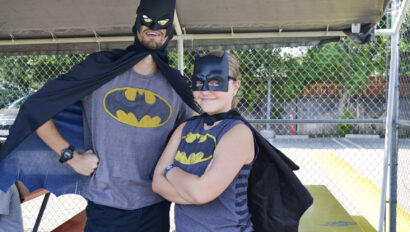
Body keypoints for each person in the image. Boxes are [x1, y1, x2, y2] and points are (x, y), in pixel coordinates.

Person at [0, 0, 199, 231]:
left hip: (154, 207)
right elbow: (36, 108)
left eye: (163, 21)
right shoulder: (102, 68)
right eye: (147, 19)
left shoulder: (175, 85)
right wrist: (71, 156)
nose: (154, 26)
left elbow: (197, 134)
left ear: (170, 31)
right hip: (104, 204)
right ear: (136, 23)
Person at [153, 51, 255, 231]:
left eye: (216, 82)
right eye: (199, 82)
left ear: (235, 86)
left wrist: (170, 170)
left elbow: (200, 193)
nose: (205, 90)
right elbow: (157, 183)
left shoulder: (238, 133)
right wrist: (193, 188)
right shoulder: (185, 128)